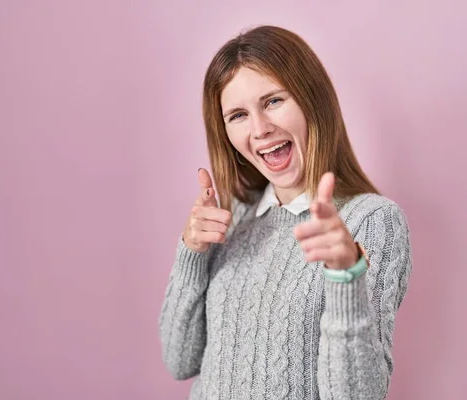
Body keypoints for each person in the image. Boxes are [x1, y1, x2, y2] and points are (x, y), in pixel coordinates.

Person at [159, 25, 412, 400]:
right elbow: (179, 360)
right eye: (238, 115)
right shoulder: (234, 218)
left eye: (274, 101)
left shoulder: (371, 221)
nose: (260, 129)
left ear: (312, 100)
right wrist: (191, 254)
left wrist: (346, 276)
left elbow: (356, 395)